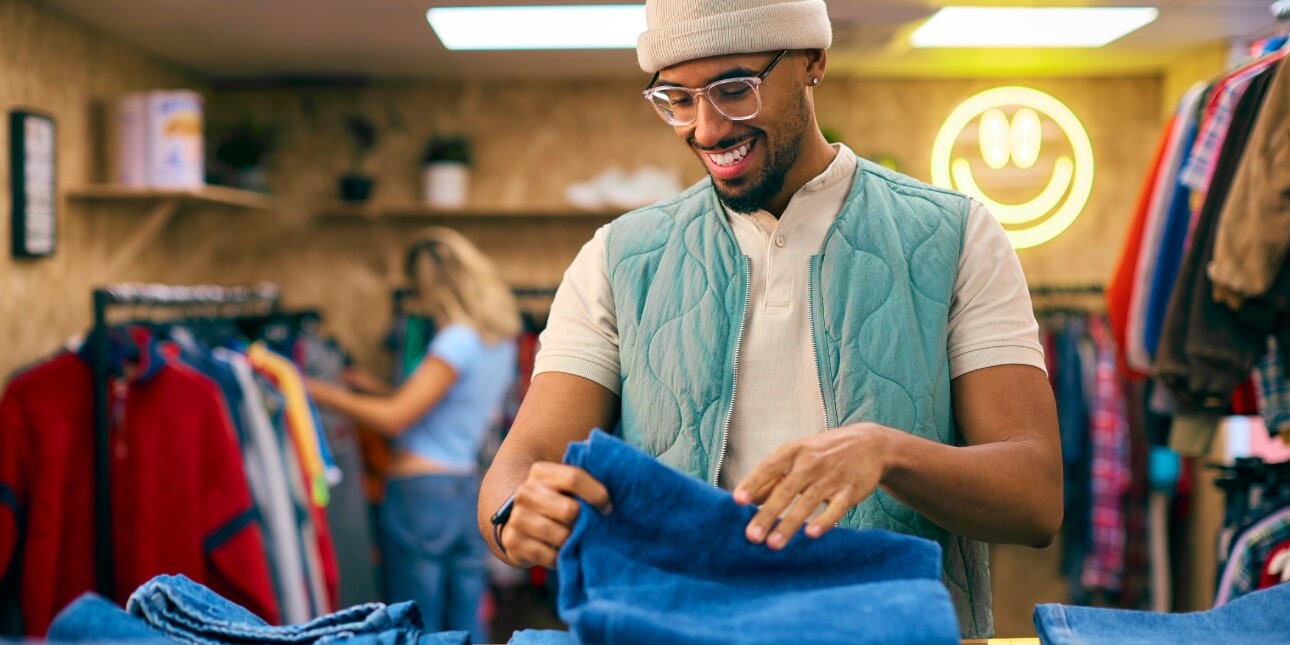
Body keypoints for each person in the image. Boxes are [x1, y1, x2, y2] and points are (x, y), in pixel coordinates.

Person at [477, 0, 1062, 638]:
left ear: (813, 61)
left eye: (734, 89)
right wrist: (517, 512)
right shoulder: (617, 259)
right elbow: (521, 460)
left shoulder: (956, 236)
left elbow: (1034, 498)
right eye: (676, 97)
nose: (705, 128)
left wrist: (888, 453)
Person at [307, 226, 519, 642]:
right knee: (466, 622)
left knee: (416, 625)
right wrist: (374, 386)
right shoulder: (500, 341)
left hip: (421, 494)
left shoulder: (454, 341)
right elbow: (445, 404)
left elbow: (394, 419)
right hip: (466, 490)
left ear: (435, 286)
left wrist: (313, 389)